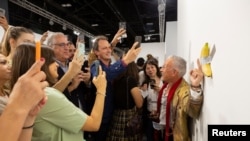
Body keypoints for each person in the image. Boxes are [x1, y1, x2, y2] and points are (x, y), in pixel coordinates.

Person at [10, 43, 107, 141]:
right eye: (52, 61)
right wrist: (101, 89)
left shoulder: (29, 93)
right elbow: (94, 124)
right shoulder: (47, 95)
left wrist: (71, 73)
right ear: (39, 64)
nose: (56, 64)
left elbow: (54, 93)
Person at [89, 35, 141, 140]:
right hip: (101, 118)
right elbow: (105, 75)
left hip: (112, 116)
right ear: (96, 52)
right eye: (104, 48)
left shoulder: (111, 65)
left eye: (109, 47)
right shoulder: (96, 65)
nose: (108, 50)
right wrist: (125, 61)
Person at [156, 55, 203, 141]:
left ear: (174, 72)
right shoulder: (166, 85)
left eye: (164, 67)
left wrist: (195, 86)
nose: (161, 69)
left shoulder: (183, 90)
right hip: (162, 131)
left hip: (174, 136)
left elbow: (193, 111)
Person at [0, 58, 48, 141]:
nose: (10, 66)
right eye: (3, 62)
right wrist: (19, 107)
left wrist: (29, 117)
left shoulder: (8, 93)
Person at [106, 62, 143, 140]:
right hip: (128, 116)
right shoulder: (130, 80)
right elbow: (139, 104)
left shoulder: (116, 80)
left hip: (116, 115)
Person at [140, 57, 163, 141]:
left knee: (161, 137)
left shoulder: (164, 81)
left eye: (152, 67)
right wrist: (143, 91)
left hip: (162, 115)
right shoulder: (145, 83)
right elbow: (142, 102)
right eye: (147, 68)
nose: (150, 70)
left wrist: (161, 91)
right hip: (149, 115)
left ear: (156, 68)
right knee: (150, 137)